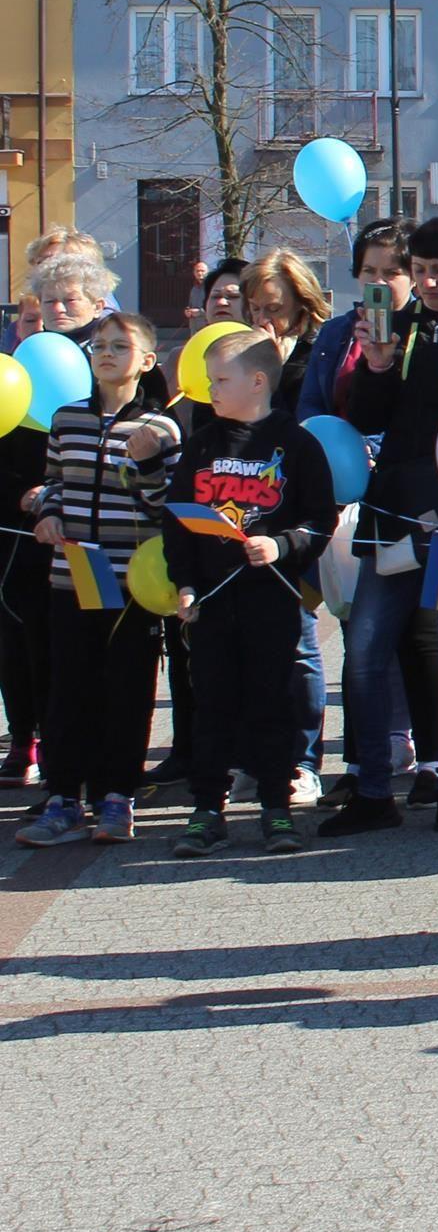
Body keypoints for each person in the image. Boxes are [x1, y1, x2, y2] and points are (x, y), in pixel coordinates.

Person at [328, 217, 438, 837]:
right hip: (394, 507)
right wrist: (375, 367)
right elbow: (369, 418)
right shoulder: (393, 328)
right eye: (421, 271)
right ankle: (373, 789)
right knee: (364, 650)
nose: (430, 282)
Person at [163, 333, 339, 858]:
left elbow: (321, 520)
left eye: (220, 380)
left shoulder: (296, 443)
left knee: (271, 703)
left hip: (272, 600)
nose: (211, 390)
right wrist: (186, 582)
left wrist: (282, 545)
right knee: (211, 703)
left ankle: (275, 808)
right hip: (212, 602)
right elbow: (177, 521)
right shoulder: (202, 443)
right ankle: (206, 811)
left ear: (257, 381)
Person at [15, 312, 183, 847]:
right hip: (71, 578)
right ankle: (64, 795)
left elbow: (166, 509)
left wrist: (150, 468)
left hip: (129, 584)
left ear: (147, 362)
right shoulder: (67, 419)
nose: (106, 354)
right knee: (68, 687)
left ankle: (118, 795)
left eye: (120, 346)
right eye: (99, 346)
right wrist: (48, 512)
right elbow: (57, 483)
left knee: (126, 689)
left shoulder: (159, 429)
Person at [2, 246, 116, 787]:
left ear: (95, 300)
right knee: (29, 636)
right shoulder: (28, 357)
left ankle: (99, 757)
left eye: (69, 299)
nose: (58, 309)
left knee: (94, 638)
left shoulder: (111, 354)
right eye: (48, 301)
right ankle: (37, 742)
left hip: (97, 524)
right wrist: (28, 496)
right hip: (29, 523)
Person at [299, 220, 407, 422]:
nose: (378, 281)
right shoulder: (335, 330)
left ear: (412, 277)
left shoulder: (422, 330)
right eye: (369, 270)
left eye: (391, 273)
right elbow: (310, 402)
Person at [240, 250, 331, 419]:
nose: (261, 320)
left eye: (274, 309)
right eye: (255, 308)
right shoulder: (237, 353)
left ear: (301, 305)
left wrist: (272, 371)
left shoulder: (318, 356)